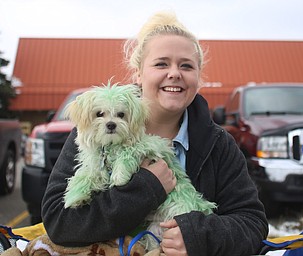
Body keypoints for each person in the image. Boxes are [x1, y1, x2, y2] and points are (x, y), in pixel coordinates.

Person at [41, 11, 268, 256]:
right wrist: (146, 188)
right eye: (161, 64)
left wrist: (198, 236)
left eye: (186, 66)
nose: (174, 73)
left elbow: (252, 223)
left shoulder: (218, 144)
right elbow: (59, 222)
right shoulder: (94, 132)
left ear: (198, 77)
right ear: (138, 73)